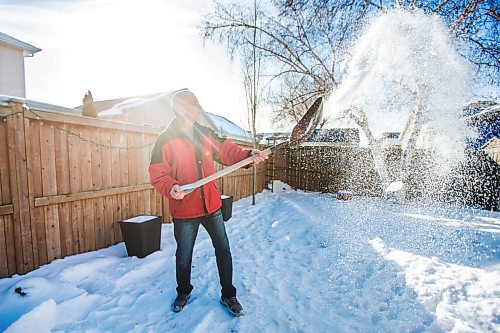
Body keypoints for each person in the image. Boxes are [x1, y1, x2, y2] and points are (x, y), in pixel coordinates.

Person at [148, 89, 267, 317]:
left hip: (212, 206)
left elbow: (228, 151)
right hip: (184, 210)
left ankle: (228, 294)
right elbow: (157, 173)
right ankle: (183, 291)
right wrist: (171, 187)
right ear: (182, 108)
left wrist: (248, 154)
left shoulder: (204, 134)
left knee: (223, 250)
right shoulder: (165, 140)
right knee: (184, 256)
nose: (198, 107)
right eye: (194, 103)